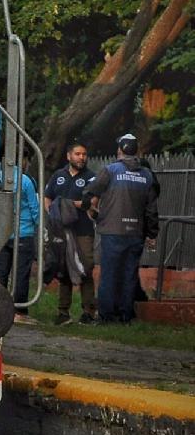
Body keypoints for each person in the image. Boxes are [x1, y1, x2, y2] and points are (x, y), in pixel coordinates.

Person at [85, 133, 160, 325]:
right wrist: (152, 234)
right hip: (135, 233)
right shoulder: (147, 176)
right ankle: (126, 316)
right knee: (129, 275)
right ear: (136, 150)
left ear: (120, 149)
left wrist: (92, 211)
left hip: (112, 231)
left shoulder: (110, 171)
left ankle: (106, 316)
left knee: (109, 275)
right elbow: (152, 210)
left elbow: (90, 193)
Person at [43, 142, 98, 323]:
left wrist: (65, 203)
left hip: (83, 230)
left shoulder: (91, 177)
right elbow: (48, 197)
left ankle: (88, 313)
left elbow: (90, 202)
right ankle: (63, 313)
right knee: (63, 269)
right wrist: (53, 213)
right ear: (69, 156)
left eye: (84, 154)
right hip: (61, 231)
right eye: (77, 154)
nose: (81, 157)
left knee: (86, 268)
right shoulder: (58, 175)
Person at [0, 169, 40, 322]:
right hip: (23, 234)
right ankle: (19, 311)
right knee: (21, 275)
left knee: (0, 273)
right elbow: (34, 209)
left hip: (1, 233)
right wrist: (42, 228)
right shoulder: (25, 180)